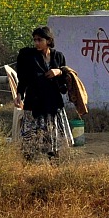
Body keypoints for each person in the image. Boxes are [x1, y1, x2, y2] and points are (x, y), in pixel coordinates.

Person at [15, 26, 74, 158]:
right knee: (31, 138)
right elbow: (24, 78)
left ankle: (53, 159)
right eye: (35, 40)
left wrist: (58, 71)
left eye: (39, 40)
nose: (36, 43)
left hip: (53, 101)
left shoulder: (58, 56)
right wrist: (19, 94)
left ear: (48, 40)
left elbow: (66, 77)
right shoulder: (29, 56)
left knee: (53, 136)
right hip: (35, 100)